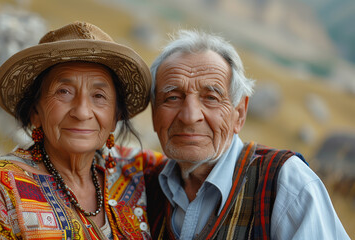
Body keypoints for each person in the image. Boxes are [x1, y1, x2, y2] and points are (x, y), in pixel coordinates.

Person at [0, 22, 164, 239]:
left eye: (99, 96)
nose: (82, 112)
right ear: (35, 112)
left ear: (116, 116)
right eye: (64, 91)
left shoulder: (138, 171)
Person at [145, 29, 350, 239]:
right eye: (172, 97)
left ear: (239, 114)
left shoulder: (286, 184)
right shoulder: (145, 186)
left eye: (211, 98)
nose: (189, 116)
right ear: (154, 112)